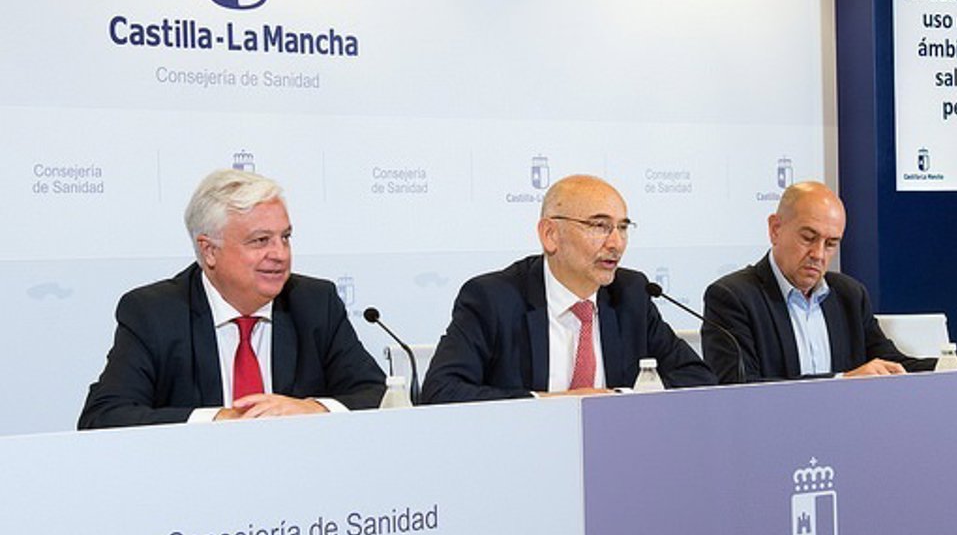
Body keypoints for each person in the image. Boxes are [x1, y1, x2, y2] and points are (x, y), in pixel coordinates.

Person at [78, 169, 385, 429]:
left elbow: (380, 396)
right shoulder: (154, 313)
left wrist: (312, 409)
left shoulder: (315, 303)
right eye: (260, 240)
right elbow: (104, 416)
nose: (280, 254)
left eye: (285, 237)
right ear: (209, 250)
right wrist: (219, 420)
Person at [421, 174, 716, 403]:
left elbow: (698, 378)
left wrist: (616, 399)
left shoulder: (631, 293)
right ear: (550, 235)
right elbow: (441, 391)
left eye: (623, 228)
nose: (616, 243)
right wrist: (554, 404)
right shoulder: (493, 298)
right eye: (599, 226)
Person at [703, 182, 957, 383]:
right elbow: (739, 388)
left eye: (831, 244)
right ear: (775, 229)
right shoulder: (732, 297)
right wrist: (843, 381)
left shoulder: (848, 295)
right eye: (808, 238)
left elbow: (892, 364)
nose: (818, 254)